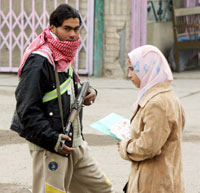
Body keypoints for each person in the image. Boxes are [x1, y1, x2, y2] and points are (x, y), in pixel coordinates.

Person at [10, 4, 114, 193]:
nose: (73, 35)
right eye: (67, 29)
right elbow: (26, 109)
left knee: (101, 188)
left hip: (74, 142)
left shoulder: (65, 55)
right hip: (50, 145)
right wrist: (53, 140)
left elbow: (65, 90)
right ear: (52, 29)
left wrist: (89, 92)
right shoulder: (39, 61)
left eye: (76, 29)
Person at [118, 45, 185, 193]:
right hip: (159, 179)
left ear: (147, 68)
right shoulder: (162, 96)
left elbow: (148, 147)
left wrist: (125, 146)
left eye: (132, 69)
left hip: (155, 185)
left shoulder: (158, 103)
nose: (129, 75)